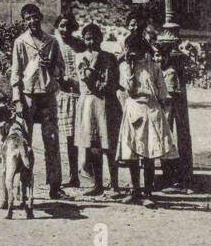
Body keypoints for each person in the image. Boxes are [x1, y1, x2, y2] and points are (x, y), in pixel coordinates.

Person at [10, 3, 67, 199]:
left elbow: (61, 70)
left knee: (51, 140)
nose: (32, 21)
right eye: (28, 18)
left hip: (47, 95)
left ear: (40, 17)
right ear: (24, 21)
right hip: (27, 96)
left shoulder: (52, 42)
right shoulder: (20, 42)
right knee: (25, 144)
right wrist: (17, 100)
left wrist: (52, 66)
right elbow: (15, 74)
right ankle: (23, 186)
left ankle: (55, 186)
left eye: (35, 17)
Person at [116, 31, 175, 204]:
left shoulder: (153, 67)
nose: (132, 52)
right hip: (134, 109)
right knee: (133, 153)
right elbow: (129, 90)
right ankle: (135, 190)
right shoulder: (125, 67)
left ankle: (148, 193)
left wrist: (163, 111)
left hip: (151, 110)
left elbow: (162, 92)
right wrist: (130, 68)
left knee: (148, 154)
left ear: (143, 49)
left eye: (135, 49)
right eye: (129, 49)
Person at [74, 22, 121, 196]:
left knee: (110, 145)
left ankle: (115, 184)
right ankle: (98, 184)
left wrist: (107, 85)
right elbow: (86, 79)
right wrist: (94, 60)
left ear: (101, 38)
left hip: (108, 104)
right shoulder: (81, 57)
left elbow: (115, 80)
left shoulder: (110, 57)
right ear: (83, 40)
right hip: (90, 104)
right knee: (94, 145)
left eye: (95, 38)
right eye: (88, 38)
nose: (92, 41)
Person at [155, 38, 193, 191]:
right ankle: (168, 178)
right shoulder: (158, 71)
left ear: (167, 57)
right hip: (161, 112)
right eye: (156, 56)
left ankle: (175, 181)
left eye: (161, 56)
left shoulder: (169, 73)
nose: (158, 59)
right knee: (163, 146)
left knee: (169, 145)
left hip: (168, 112)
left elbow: (168, 95)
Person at [53, 12, 84, 188]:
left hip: (82, 94)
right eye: (61, 26)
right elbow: (51, 68)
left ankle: (90, 176)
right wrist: (61, 79)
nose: (65, 29)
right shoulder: (54, 44)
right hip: (64, 95)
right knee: (69, 138)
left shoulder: (80, 44)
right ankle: (72, 176)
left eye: (68, 26)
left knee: (87, 137)